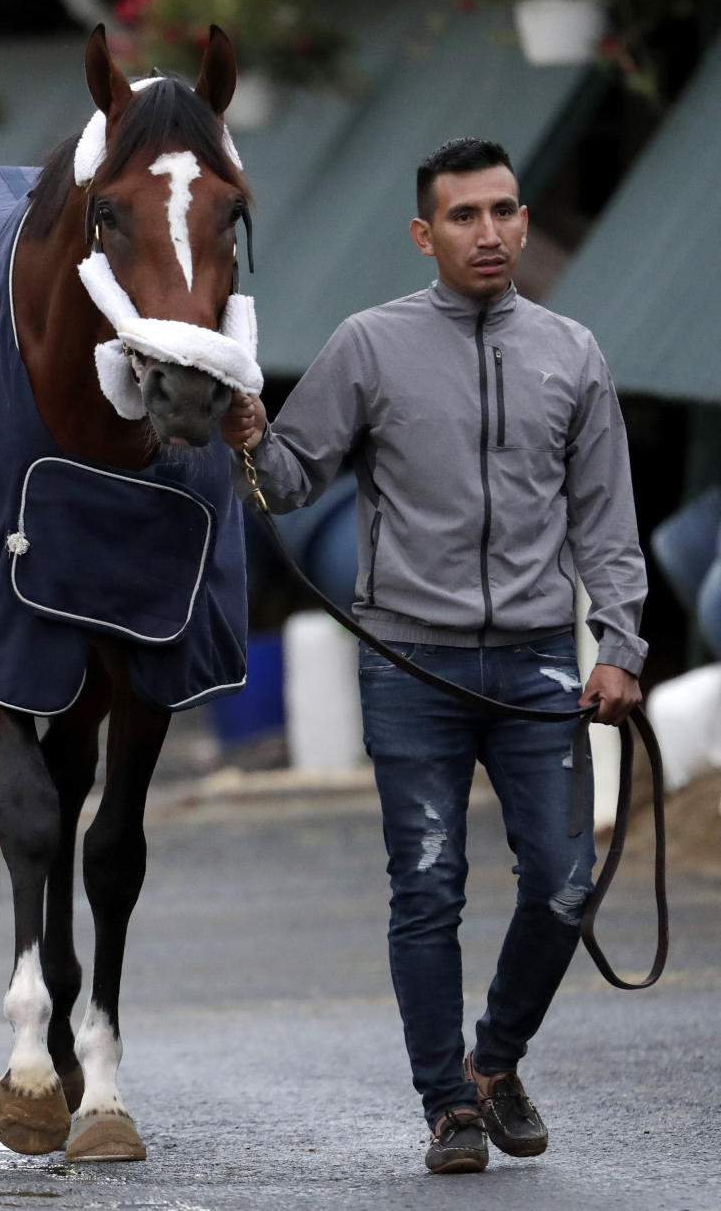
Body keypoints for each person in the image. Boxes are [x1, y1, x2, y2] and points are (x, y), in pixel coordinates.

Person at [220, 138, 647, 1175]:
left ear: (526, 221)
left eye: (504, 210)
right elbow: (287, 481)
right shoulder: (369, 345)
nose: (489, 231)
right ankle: (449, 1104)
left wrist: (621, 644)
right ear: (425, 233)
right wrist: (247, 429)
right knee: (427, 882)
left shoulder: (573, 352)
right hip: (411, 662)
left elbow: (606, 518)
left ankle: (495, 1062)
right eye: (464, 215)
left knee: (561, 882)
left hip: (544, 662)